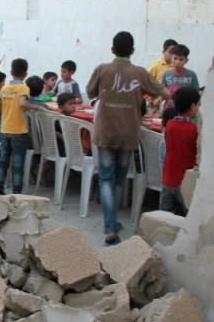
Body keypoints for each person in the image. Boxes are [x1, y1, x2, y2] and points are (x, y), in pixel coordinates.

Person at [86, 31, 169, 245]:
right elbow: (165, 93)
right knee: (120, 177)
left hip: (105, 131)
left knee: (105, 178)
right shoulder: (140, 73)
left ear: (112, 50)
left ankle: (110, 226)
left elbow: (90, 91)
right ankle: (113, 223)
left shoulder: (102, 69)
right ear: (132, 51)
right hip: (128, 133)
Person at [0, 58, 44, 195]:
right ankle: (16, 192)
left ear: (11, 72)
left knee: (2, 161)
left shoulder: (4, 88)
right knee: (17, 163)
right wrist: (36, 107)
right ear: (25, 74)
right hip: (19, 131)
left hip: (5, 130)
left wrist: (8, 107)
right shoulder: (24, 88)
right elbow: (22, 104)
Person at [160, 87, 200, 216]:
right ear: (193, 106)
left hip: (168, 180)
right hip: (185, 183)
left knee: (164, 218)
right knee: (186, 219)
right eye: (198, 104)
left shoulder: (170, 125)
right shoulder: (194, 130)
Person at [161, 44, 199, 111]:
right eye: (175, 58)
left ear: (186, 60)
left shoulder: (191, 75)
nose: (177, 62)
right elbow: (162, 93)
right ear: (171, 59)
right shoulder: (166, 75)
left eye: (181, 59)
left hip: (186, 110)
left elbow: (196, 94)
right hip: (169, 110)